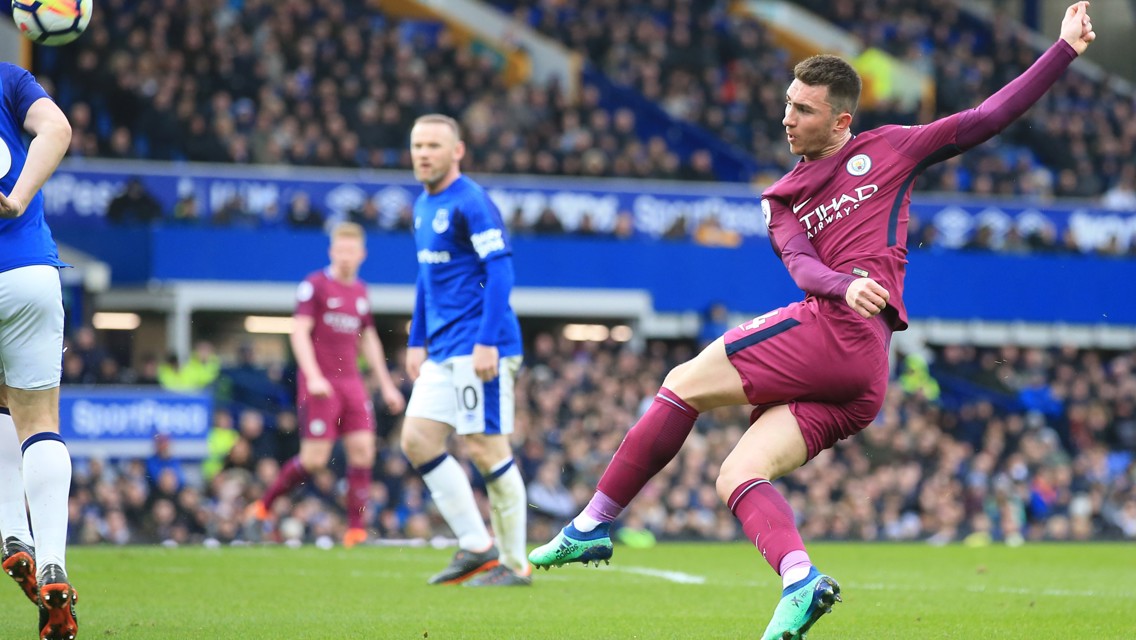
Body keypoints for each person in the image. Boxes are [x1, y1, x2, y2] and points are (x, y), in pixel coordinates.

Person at [529, 4, 1097, 638]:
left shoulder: (891, 149)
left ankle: (590, 524)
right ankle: (800, 581)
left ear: (841, 119)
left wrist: (1064, 49)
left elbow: (988, 118)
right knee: (737, 472)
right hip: (856, 373)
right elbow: (801, 267)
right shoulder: (781, 196)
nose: (786, 118)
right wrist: (845, 282)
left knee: (681, 383)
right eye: (787, 104)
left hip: (842, 337)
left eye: (802, 109)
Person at [400, 114, 530, 587]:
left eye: (434, 144)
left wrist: (487, 340)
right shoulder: (421, 205)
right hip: (442, 347)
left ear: (457, 151)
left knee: (484, 447)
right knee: (417, 440)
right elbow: (426, 275)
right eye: (417, 145)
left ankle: (515, 565)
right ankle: (477, 546)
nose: (424, 153)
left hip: (480, 344)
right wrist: (417, 339)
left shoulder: (471, 202)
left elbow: (500, 271)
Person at [246, 221, 406, 547]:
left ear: (362, 254)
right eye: (340, 250)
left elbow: (369, 338)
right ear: (331, 251)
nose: (346, 257)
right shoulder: (315, 286)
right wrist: (313, 374)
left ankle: (356, 531)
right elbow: (299, 331)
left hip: (352, 383)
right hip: (321, 383)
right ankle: (262, 508)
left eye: (352, 251)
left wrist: (387, 385)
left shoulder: (361, 291)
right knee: (315, 459)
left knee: (363, 451)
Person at [0, 62, 79, 639]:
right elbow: (56, 129)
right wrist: (17, 196)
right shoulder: (7, 76)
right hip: (28, 271)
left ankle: (10, 532)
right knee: (37, 417)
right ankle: (53, 561)